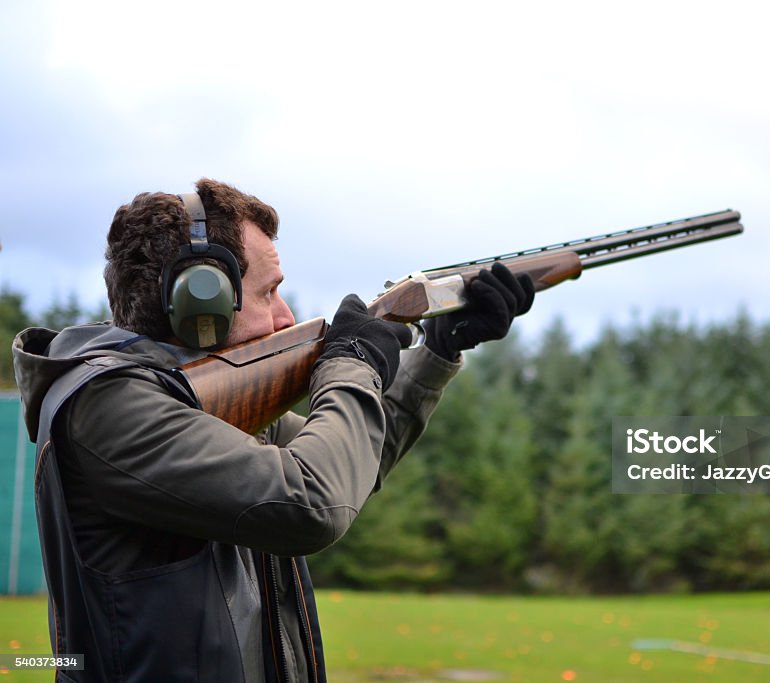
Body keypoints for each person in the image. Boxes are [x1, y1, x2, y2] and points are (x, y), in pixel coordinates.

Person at [12, 178, 534, 682]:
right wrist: (351, 361)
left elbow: (348, 460)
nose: (286, 317)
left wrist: (438, 351)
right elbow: (313, 502)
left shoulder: (192, 402)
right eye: (270, 292)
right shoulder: (111, 406)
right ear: (203, 303)